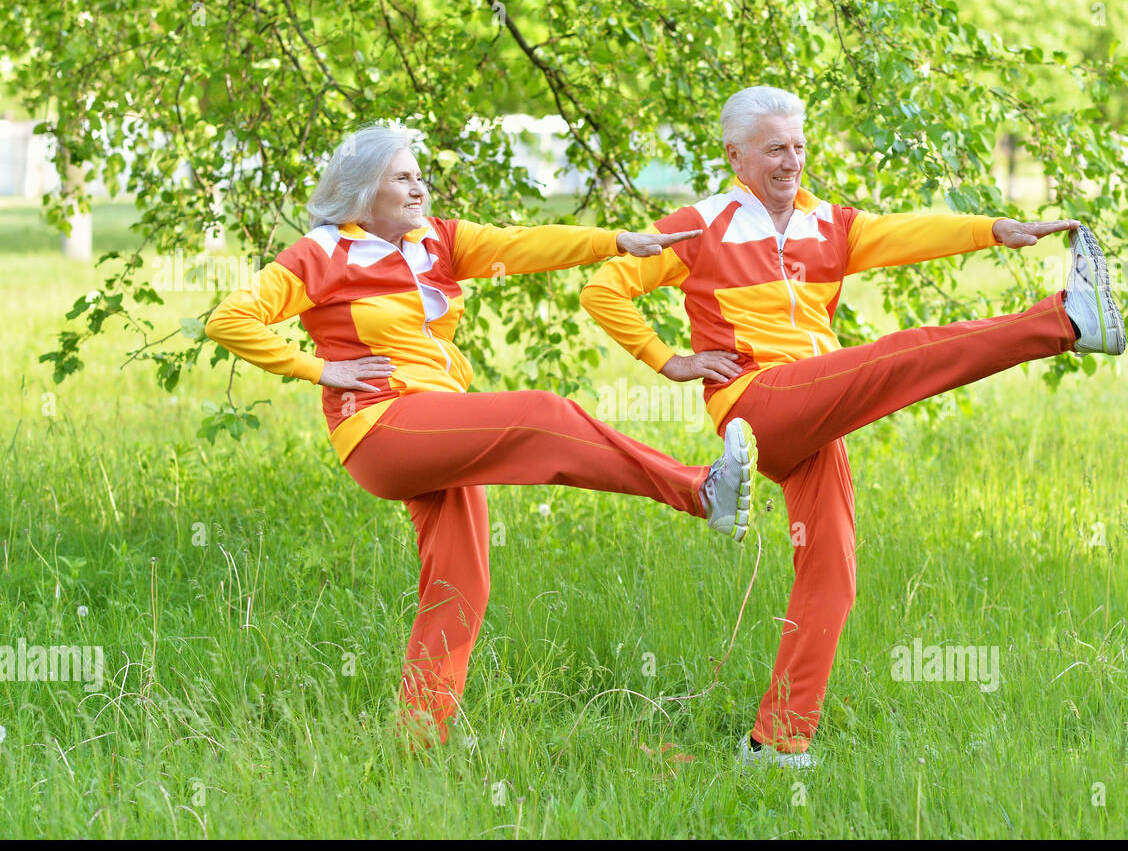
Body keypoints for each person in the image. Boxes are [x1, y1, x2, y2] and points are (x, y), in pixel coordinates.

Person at [580, 85, 1125, 769]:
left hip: (817, 411)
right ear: (735, 155)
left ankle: (777, 743)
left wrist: (993, 230)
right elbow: (604, 287)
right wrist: (669, 360)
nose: (791, 160)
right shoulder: (701, 225)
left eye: (800, 146)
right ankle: (1065, 320)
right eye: (775, 148)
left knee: (832, 571)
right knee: (904, 353)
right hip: (756, 406)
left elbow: (904, 233)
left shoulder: (827, 224)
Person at [205, 124, 758, 746]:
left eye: (419, 175)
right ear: (362, 191)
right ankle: (698, 491)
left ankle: (420, 740)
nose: (419, 187)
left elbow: (520, 244)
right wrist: (322, 368)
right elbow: (230, 318)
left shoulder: (435, 240)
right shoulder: (321, 253)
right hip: (382, 428)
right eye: (402, 178)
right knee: (541, 415)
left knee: (462, 582)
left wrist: (614, 241)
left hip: (439, 423)